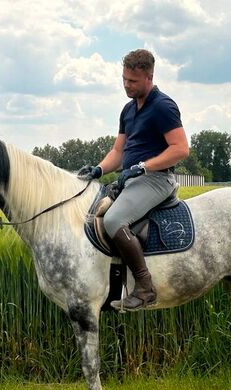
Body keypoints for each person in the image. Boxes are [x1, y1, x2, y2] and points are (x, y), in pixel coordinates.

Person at [78, 49, 189, 311]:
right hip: (134, 181)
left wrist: (142, 167)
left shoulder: (163, 106)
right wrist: (98, 170)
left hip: (156, 180)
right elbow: (118, 152)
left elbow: (181, 148)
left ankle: (145, 286)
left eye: (133, 81)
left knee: (114, 219)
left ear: (149, 77)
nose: (127, 85)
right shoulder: (128, 110)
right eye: (124, 79)